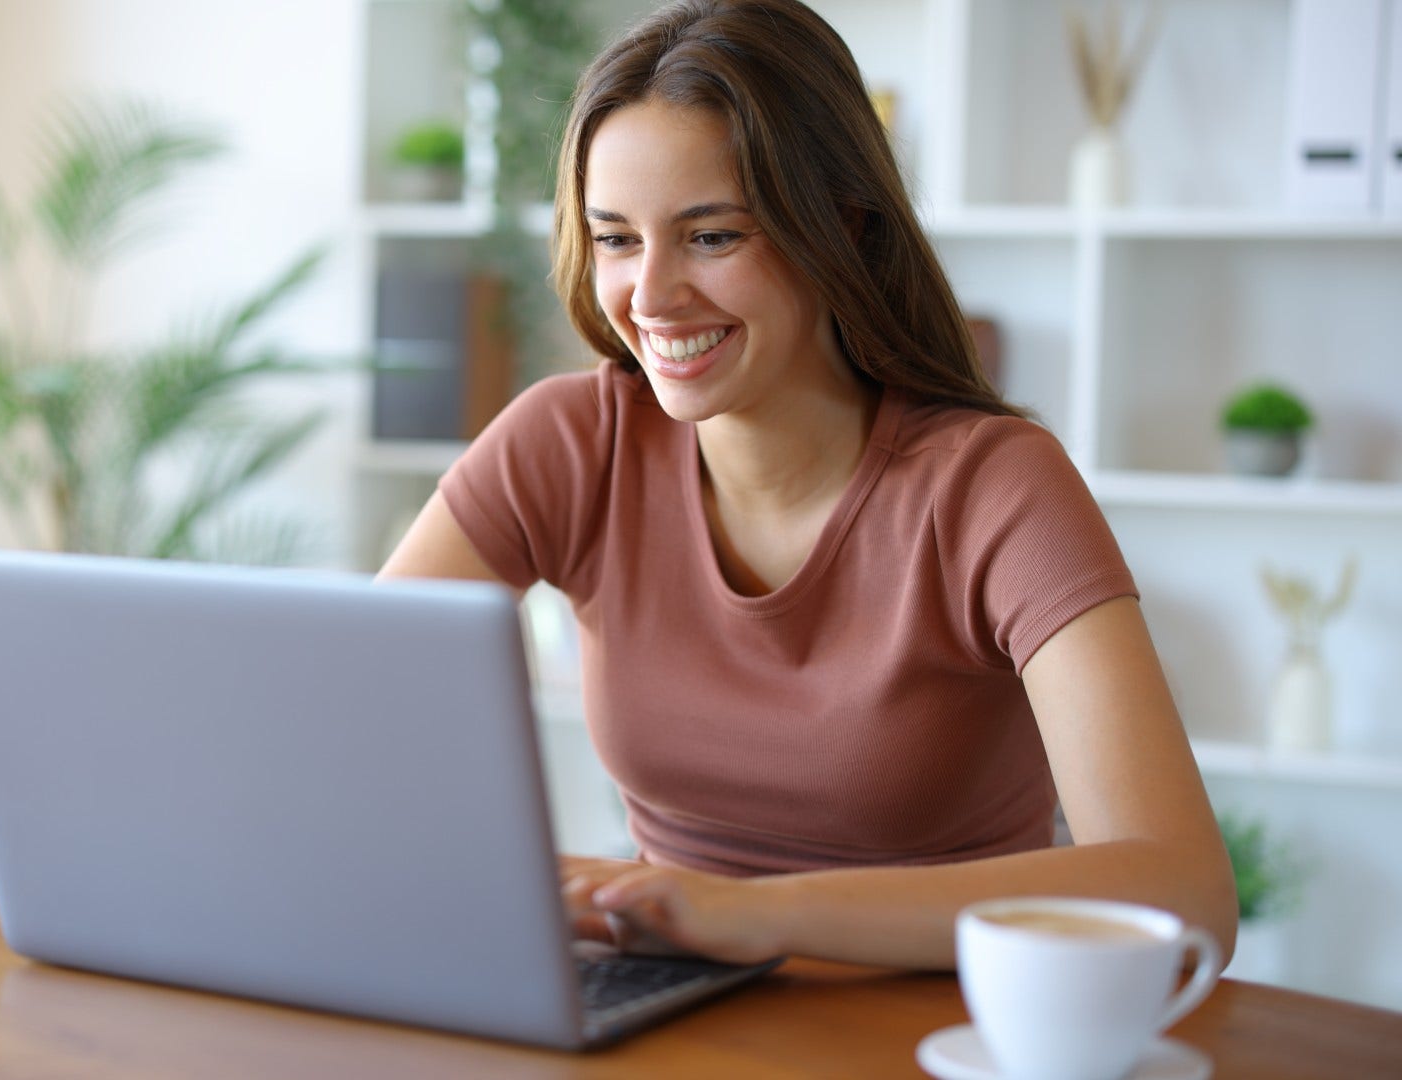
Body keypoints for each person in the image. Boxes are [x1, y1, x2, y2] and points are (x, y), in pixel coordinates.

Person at [378, 0, 1237, 971]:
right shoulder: (571, 441)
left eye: (711, 236)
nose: (652, 296)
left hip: (929, 1026)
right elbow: (343, 713)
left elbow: (1184, 888)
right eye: (617, 239)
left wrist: (769, 915)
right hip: (666, 1009)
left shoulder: (992, 488)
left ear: (841, 224)